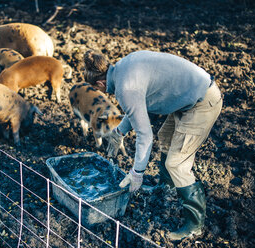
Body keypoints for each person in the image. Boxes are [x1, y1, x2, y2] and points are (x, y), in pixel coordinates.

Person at [83, 50, 223, 241]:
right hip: (186, 98)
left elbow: (144, 134)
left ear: (100, 83)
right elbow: (138, 109)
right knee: (165, 137)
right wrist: (119, 132)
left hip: (202, 102)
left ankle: (194, 225)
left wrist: (137, 173)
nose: (101, 92)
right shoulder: (123, 67)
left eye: (98, 89)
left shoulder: (125, 89)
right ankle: (167, 188)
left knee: (176, 164)